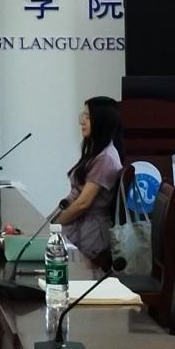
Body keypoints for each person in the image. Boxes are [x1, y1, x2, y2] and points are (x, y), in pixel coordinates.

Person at [52, 96, 124, 268]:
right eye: (82, 115)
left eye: (88, 117)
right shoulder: (96, 152)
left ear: (102, 122)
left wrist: (54, 226)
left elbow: (83, 203)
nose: (81, 121)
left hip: (89, 235)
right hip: (78, 226)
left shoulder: (105, 159)